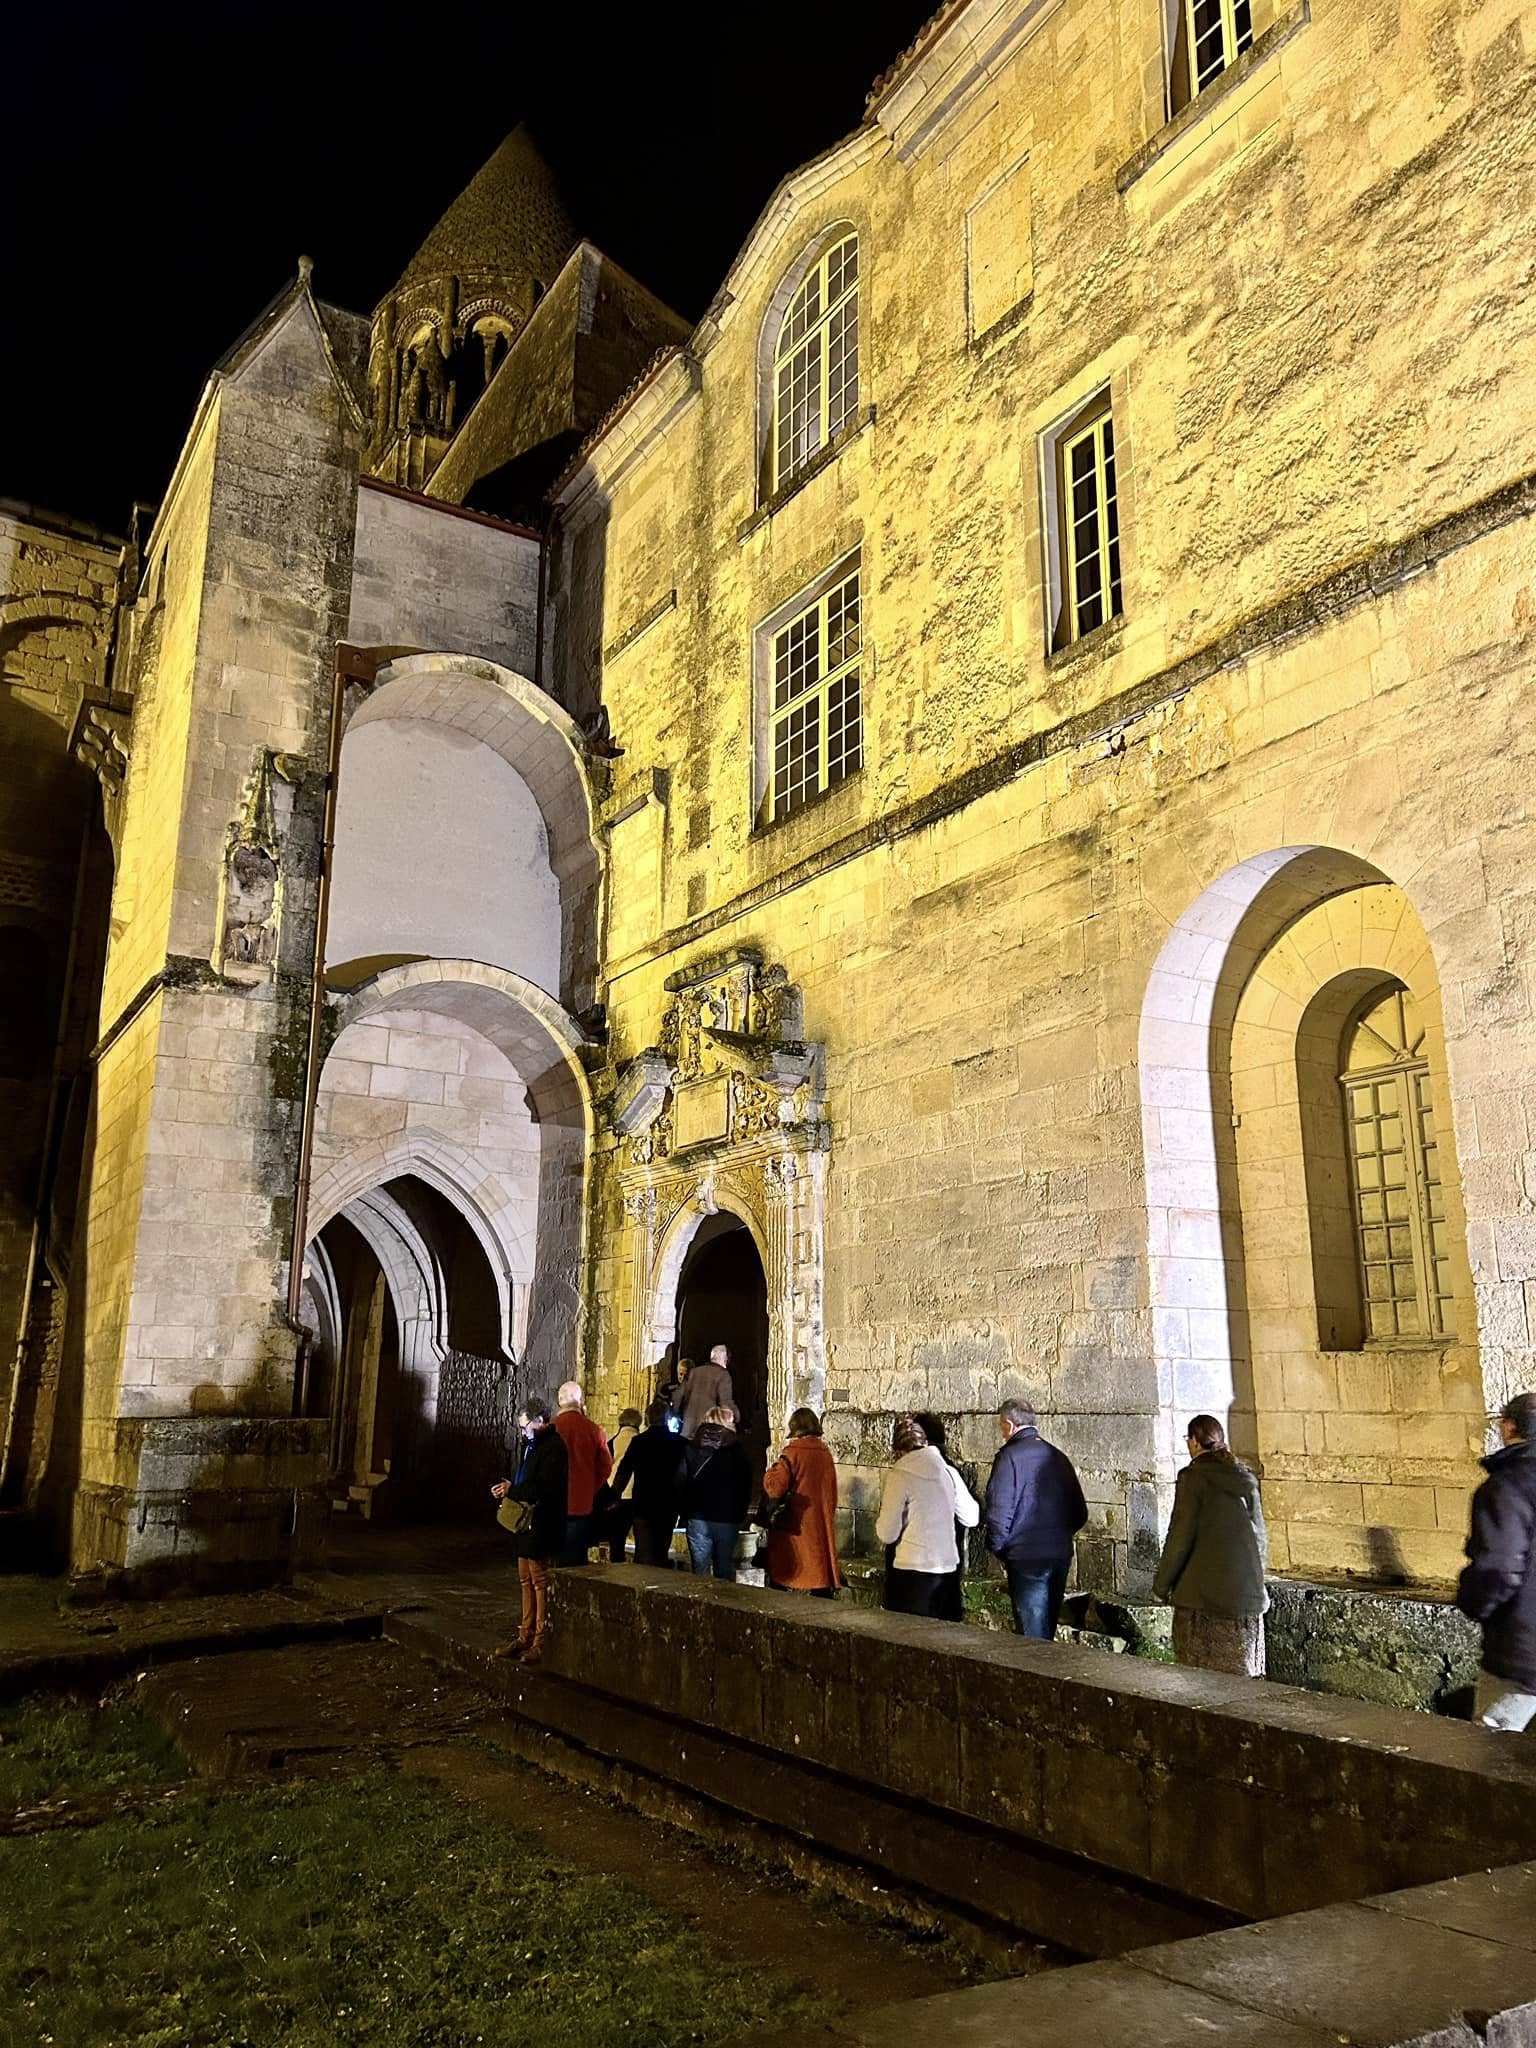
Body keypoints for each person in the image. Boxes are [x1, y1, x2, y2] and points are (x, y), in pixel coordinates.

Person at [1153, 1413, 1268, 1678]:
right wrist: (1253, 1584)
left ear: (1194, 1442)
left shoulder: (1193, 1478)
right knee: (1244, 1681)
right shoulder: (1245, 1479)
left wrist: (1161, 1586)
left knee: (1201, 1680)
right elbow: (1260, 1538)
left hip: (1204, 1603)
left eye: (1188, 1439)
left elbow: (1180, 1536)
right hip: (1247, 1603)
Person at [1456, 1391, 1536, 1731]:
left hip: (1523, 1655)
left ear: (1509, 1426)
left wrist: (1471, 1601)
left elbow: (1499, 1569)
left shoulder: (1505, 1488)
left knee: (1492, 1745)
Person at [984, 1398, 1087, 1640]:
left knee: (1032, 1636)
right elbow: (1079, 1512)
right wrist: (1059, 1538)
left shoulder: (1009, 1458)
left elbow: (999, 1513)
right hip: (1058, 1555)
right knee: (1046, 1630)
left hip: (1026, 1557)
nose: (1002, 1433)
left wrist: (1001, 1549)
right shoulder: (1058, 1457)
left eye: (1002, 1427)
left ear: (1009, 1425)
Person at [876, 1415, 981, 1619]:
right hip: (946, 1570)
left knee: (910, 1633)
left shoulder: (899, 1475)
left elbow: (888, 1533)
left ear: (898, 1451)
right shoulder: (948, 1471)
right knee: (943, 1633)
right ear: (925, 1443)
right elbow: (971, 1517)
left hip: (911, 1570)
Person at [491, 1398, 568, 1664]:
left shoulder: (554, 1448)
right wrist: (511, 1488)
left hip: (542, 1523)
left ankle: (540, 1642)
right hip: (525, 1524)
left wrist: (513, 1489)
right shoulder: (531, 1445)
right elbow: (528, 1480)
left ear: (540, 1421)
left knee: (539, 1581)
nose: (523, 1432)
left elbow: (543, 1488)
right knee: (525, 1579)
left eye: (526, 1426)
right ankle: (525, 1635)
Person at [761, 1407, 841, 1596]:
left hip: (794, 1523)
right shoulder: (825, 1453)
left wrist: (769, 1474)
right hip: (819, 1522)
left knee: (788, 1573)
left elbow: (775, 1488)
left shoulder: (792, 1453)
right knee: (818, 1573)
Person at [611, 1397, 687, 1565]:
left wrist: (614, 1495)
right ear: (667, 1418)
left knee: (644, 1552)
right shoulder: (679, 1443)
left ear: (647, 1418)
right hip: (668, 1503)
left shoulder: (639, 1442)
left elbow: (624, 1471)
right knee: (662, 1548)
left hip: (643, 1503)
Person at [681, 1403, 754, 1581]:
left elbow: (681, 1480)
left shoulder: (691, 1447)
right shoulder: (737, 1451)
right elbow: (744, 1483)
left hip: (698, 1516)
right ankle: (723, 1597)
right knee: (724, 1569)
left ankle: (701, 1598)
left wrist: (685, 1509)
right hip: (727, 1517)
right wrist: (741, 1512)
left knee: (700, 1570)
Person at [915, 1410, 970, 1622]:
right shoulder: (950, 1471)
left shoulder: (912, 1473)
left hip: (918, 1571)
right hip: (947, 1566)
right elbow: (969, 1517)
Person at [552, 1380, 612, 1566]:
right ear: (581, 1401)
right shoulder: (593, 1430)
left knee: (554, 1557)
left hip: (553, 1503)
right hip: (581, 1504)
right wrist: (589, 1488)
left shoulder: (550, 1428)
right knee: (577, 1558)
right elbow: (606, 1466)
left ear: (559, 1402)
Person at [671, 1343, 737, 1440]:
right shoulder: (723, 1375)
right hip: (706, 1429)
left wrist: (676, 1413)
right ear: (725, 1359)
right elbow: (725, 1403)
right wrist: (736, 1417)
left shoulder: (694, 1372)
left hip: (687, 1428)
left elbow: (677, 1396)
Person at [602, 1407, 643, 1562]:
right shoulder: (641, 1441)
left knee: (617, 1541)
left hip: (618, 1496)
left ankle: (616, 1566)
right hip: (638, 1496)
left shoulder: (612, 1443)